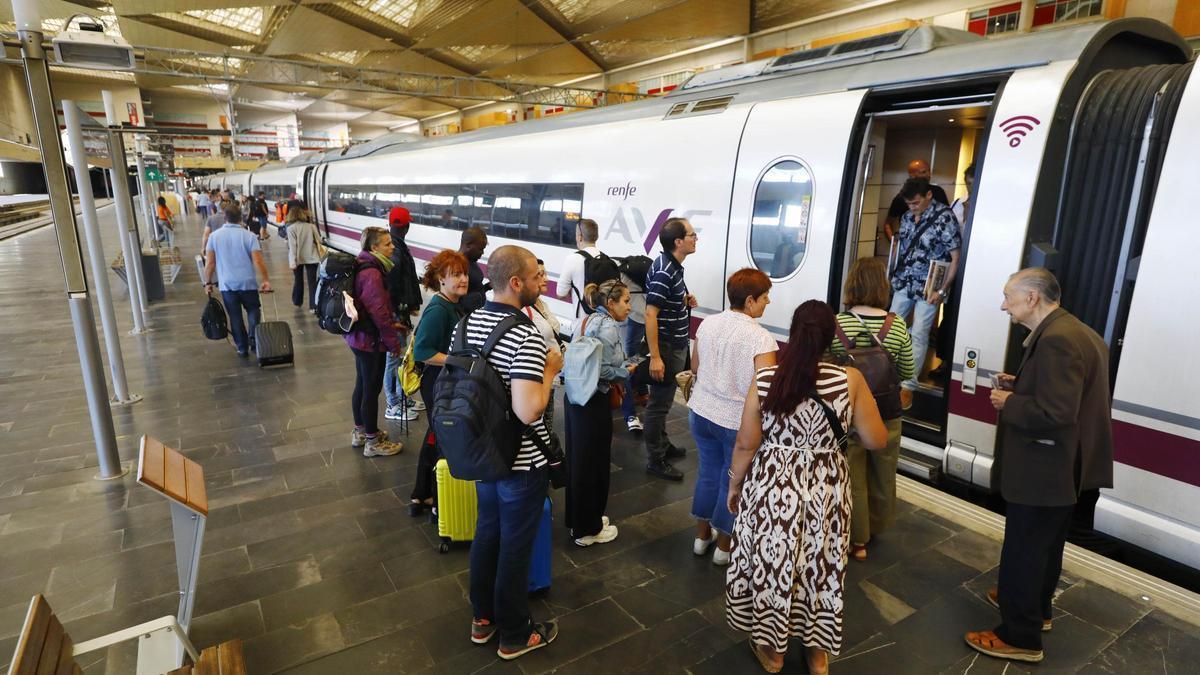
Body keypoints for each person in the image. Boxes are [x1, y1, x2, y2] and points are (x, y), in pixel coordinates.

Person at [726, 300, 887, 675]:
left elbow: (746, 443)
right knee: (821, 565)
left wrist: (735, 485)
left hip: (772, 485)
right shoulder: (850, 380)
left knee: (773, 563)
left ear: (793, 332)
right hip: (826, 488)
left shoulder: (766, 377)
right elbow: (877, 439)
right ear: (831, 336)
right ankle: (816, 655)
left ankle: (773, 651)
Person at [964, 268, 1113, 665]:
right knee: (1045, 547)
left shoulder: (1058, 341)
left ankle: (1020, 634)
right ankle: (1036, 608)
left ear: (1032, 297)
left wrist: (1009, 402)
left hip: (1045, 466)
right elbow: (1070, 397)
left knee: (1025, 550)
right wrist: (1025, 385)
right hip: (1067, 467)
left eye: (1008, 297)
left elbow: (1055, 412)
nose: (1003, 305)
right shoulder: (1081, 332)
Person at [461, 245, 562, 660]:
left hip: (483, 452)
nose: (544, 283)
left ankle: (483, 619)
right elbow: (527, 409)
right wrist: (551, 370)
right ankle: (516, 635)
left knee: (487, 536)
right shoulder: (525, 334)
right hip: (521, 462)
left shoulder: (467, 322)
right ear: (516, 283)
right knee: (515, 548)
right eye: (538, 277)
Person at [687, 269, 777, 566]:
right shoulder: (761, 339)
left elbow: (696, 366)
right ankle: (724, 547)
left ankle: (702, 538)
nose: (767, 303)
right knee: (732, 480)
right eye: (765, 298)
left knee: (708, 473)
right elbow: (765, 389)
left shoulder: (708, 323)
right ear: (750, 301)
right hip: (736, 423)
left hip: (701, 412)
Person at [830, 258, 915, 561]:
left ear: (852, 284)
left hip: (848, 412)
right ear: (883, 287)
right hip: (887, 410)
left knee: (853, 473)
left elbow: (827, 367)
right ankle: (877, 526)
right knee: (884, 470)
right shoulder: (897, 325)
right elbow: (906, 368)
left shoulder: (839, 323)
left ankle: (857, 539)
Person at [565, 279, 634, 547]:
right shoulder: (607, 327)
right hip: (594, 401)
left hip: (576, 399)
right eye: (626, 301)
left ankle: (580, 520)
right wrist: (624, 372)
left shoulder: (587, 319)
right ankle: (587, 530)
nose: (630, 307)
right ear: (611, 303)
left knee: (579, 461)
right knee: (593, 464)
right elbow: (602, 370)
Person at [408, 250, 470, 516]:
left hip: (442, 380)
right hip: (437, 382)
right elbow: (423, 351)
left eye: (464, 273)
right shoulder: (439, 308)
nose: (463, 279)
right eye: (455, 275)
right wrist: (457, 361)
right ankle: (437, 498)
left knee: (434, 434)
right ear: (440, 279)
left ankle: (422, 494)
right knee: (444, 436)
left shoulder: (451, 304)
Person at [888, 177, 960, 405]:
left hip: (931, 285)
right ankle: (887, 375)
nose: (912, 207)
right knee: (891, 328)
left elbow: (955, 257)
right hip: (904, 282)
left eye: (916, 203)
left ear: (929, 195)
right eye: (909, 203)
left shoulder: (945, 218)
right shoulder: (908, 217)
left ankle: (908, 385)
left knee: (919, 332)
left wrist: (943, 289)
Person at [642, 217, 698, 481]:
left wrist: (683, 301)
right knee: (658, 406)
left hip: (675, 343)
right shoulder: (666, 270)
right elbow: (650, 314)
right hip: (666, 347)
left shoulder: (672, 266)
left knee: (662, 403)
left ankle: (663, 446)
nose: (695, 238)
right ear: (678, 242)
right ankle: (655, 459)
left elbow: (663, 304)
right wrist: (655, 357)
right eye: (691, 234)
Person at [345, 227, 406, 458]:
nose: (392, 247)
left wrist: (392, 325)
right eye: (387, 243)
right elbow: (379, 311)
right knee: (371, 388)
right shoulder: (372, 273)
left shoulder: (364, 264)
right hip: (370, 341)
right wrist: (394, 344)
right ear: (374, 248)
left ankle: (361, 431)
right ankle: (372, 442)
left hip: (358, 337)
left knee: (362, 384)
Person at [203, 208, 271, 357]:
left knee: (235, 316)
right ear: (241, 219)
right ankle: (254, 338)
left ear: (225, 218)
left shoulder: (214, 237)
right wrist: (265, 280)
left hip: (227, 285)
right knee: (253, 310)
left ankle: (242, 347)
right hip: (248, 283)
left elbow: (210, 264)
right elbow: (258, 261)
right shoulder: (250, 236)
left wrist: (207, 283)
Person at [383, 206, 424, 423]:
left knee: (399, 359)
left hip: (398, 313)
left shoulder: (395, 246)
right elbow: (392, 287)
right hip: (396, 315)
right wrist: (397, 315)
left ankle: (401, 398)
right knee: (394, 359)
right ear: (407, 226)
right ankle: (393, 404)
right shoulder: (396, 251)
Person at [526, 259, 565, 431]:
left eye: (545, 273)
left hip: (552, 374)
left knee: (547, 422)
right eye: (540, 275)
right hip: (540, 376)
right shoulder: (524, 310)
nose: (546, 279)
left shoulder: (543, 304)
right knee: (540, 425)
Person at [883, 159, 951, 239]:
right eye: (923, 172)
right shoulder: (902, 198)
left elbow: (948, 218)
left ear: (929, 195)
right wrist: (894, 245)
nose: (928, 175)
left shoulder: (938, 191)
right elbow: (888, 223)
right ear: (912, 175)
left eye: (928, 171)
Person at [618, 262, 648, 433]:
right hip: (642, 314)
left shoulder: (621, 277)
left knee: (629, 359)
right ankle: (641, 391)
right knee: (635, 354)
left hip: (641, 314)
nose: (626, 306)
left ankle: (630, 414)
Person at [555, 218, 606, 315]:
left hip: (582, 322)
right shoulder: (605, 258)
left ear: (580, 237)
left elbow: (560, 294)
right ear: (597, 236)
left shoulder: (572, 259)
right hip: (603, 320)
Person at [285, 205, 322, 311]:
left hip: (297, 259)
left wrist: (293, 262)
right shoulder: (311, 226)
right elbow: (319, 240)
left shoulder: (290, 228)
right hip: (312, 257)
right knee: (312, 282)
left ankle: (297, 301)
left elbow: (293, 247)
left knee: (298, 280)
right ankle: (313, 307)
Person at [459, 226, 490, 312]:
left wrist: (488, 286)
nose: (482, 253)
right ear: (468, 245)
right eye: (480, 249)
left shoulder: (471, 261)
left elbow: (474, 289)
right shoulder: (457, 266)